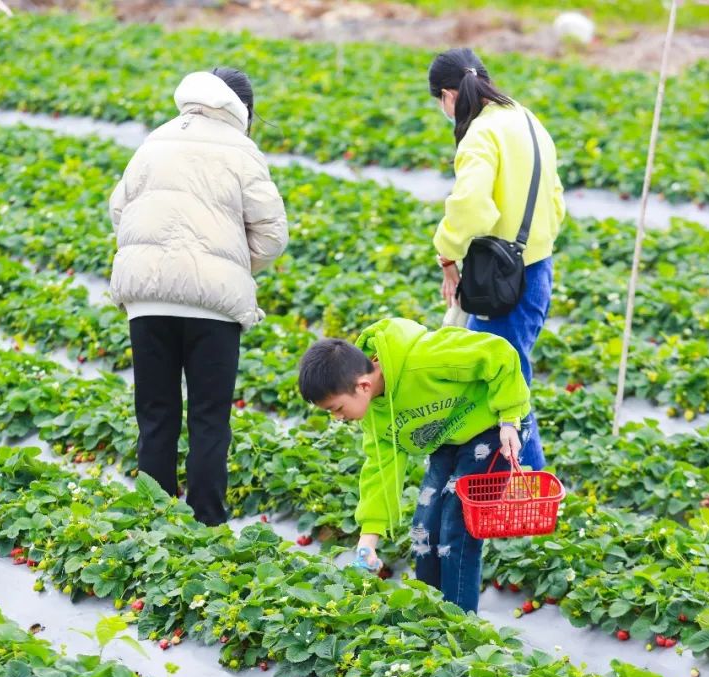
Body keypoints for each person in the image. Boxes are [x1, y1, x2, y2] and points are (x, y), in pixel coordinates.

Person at [108, 68, 288, 525]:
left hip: (148, 300)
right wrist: (229, 265)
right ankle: (207, 524)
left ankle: (155, 522)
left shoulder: (156, 139)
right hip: (213, 307)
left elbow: (119, 209)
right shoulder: (241, 150)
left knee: (155, 415)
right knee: (209, 418)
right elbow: (272, 233)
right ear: (245, 110)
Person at [298, 318, 530, 612]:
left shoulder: (424, 359)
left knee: (456, 525)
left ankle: (460, 621)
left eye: (337, 409)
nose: (338, 418)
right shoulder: (374, 416)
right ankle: (432, 613)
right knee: (424, 527)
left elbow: (498, 353)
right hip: (448, 437)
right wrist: (368, 539)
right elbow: (381, 470)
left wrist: (509, 418)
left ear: (363, 385)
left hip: (494, 430)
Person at [428, 48, 565, 471]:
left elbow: (472, 206)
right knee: (506, 379)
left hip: (502, 280)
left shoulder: (481, 133)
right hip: (536, 268)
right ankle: (514, 485)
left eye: (439, 102)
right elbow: (556, 200)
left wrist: (447, 254)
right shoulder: (527, 119)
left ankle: (529, 485)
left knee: (503, 389)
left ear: (449, 95)